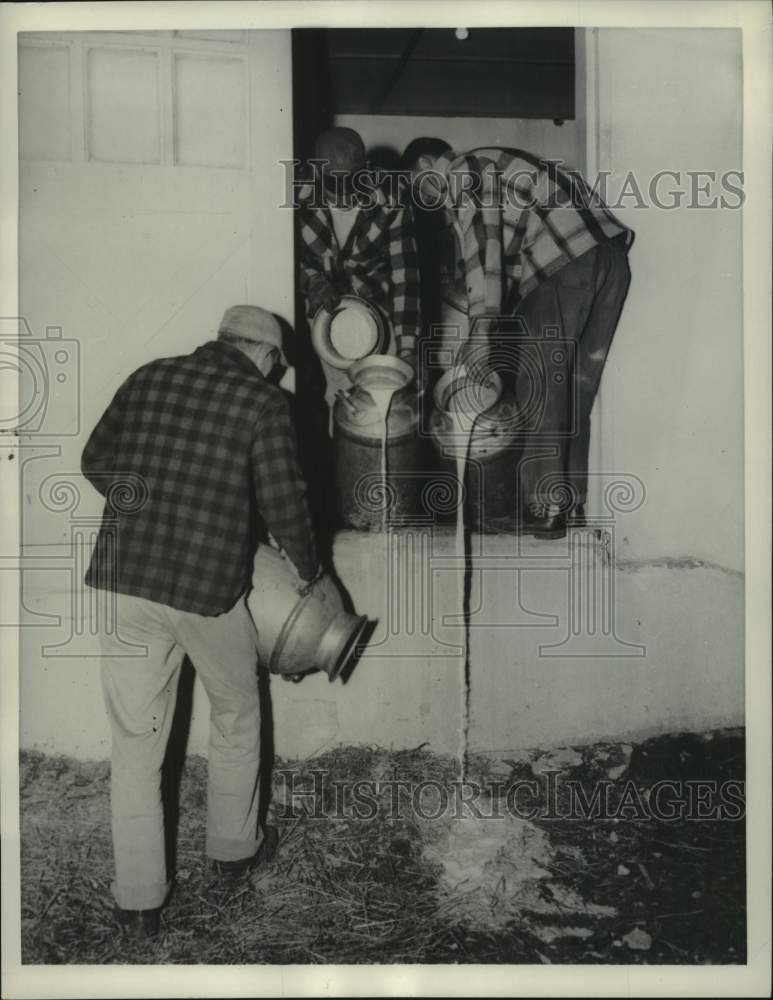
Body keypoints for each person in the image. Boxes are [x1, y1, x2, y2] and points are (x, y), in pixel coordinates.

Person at [81, 305, 319, 939]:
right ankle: (234, 854)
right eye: (277, 364)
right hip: (208, 590)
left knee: (136, 742)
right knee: (237, 712)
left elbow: (95, 460)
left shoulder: (149, 375)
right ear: (265, 356)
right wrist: (309, 569)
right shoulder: (262, 402)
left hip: (127, 582)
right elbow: (286, 502)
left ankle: (138, 904)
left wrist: (151, 510)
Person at [401, 139, 634, 538]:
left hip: (565, 263)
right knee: (574, 387)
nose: (427, 201)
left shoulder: (462, 170)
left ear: (425, 164)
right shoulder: (496, 165)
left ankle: (544, 505)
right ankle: (570, 504)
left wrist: (481, 330)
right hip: (610, 260)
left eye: (418, 188)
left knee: (539, 383)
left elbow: (483, 248)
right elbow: (503, 260)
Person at [296, 126, 421, 369]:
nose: (343, 195)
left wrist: (408, 350)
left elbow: (405, 275)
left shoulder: (393, 197)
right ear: (316, 170)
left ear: (366, 168)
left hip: (379, 309)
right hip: (321, 312)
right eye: (333, 183)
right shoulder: (296, 194)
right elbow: (285, 258)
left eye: (352, 181)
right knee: (331, 387)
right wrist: (313, 281)